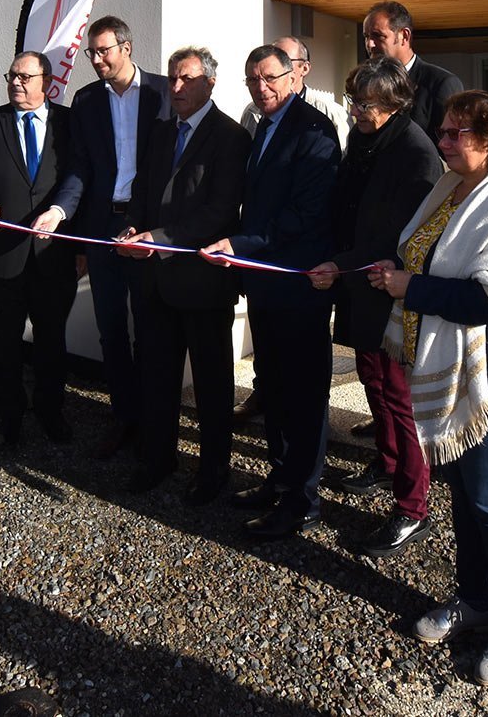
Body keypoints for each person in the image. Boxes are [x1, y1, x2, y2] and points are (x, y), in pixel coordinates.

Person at [368, 90, 488, 689]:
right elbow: (418, 253)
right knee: (465, 500)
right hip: (448, 366)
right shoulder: (450, 188)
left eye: (457, 133)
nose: (444, 142)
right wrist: (396, 277)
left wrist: (408, 289)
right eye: (442, 131)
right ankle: (473, 600)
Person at [201, 44, 340, 539]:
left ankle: (303, 499)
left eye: (270, 78)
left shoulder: (314, 131)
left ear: (294, 75)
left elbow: (304, 215)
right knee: (275, 389)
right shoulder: (263, 126)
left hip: (299, 284)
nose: (262, 88)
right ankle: (280, 480)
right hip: (265, 283)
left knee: (304, 395)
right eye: (253, 80)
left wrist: (239, 244)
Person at [306, 57, 443, 558]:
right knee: (374, 380)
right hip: (358, 280)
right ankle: (386, 465)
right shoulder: (367, 140)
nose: (357, 112)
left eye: (366, 104)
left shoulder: (414, 152)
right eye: (353, 101)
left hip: (389, 286)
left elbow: (397, 234)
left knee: (400, 396)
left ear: (395, 103)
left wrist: (337, 262)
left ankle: (412, 506)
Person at [116, 47, 249, 503]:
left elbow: (219, 211)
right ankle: (158, 458)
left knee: (212, 384)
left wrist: (160, 237)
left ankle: (213, 470)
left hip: (203, 281)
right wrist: (134, 226)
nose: (175, 88)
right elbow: (142, 189)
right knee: (156, 373)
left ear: (210, 83)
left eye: (186, 79)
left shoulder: (230, 137)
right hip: (155, 279)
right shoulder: (160, 132)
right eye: (172, 79)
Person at [46, 16, 170, 458]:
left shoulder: (163, 92)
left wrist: (158, 228)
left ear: (127, 47)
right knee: (111, 329)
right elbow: (80, 167)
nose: (96, 60)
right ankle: (125, 416)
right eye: (91, 53)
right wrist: (62, 214)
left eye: (104, 51)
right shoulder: (85, 100)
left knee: (151, 329)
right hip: (101, 230)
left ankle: (155, 419)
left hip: (146, 230)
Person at [0, 52, 79, 449]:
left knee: (51, 341)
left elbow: (80, 178)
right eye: (11, 76)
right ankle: (8, 416)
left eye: (25, 76)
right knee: (3, 343)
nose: (16, 83)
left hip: (51, 258)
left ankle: (49, 410)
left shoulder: (70, 124)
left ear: (47, 81)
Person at [362, 1, 461, 141]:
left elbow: (450, 143)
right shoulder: (368, 83)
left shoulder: (440, 83)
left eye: (378, 36)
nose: (370, 44)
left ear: (404, 36)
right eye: (366, 36)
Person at [239, 36, 350, 149]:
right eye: (253, 80)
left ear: (305, 68)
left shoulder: (330, 113)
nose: (262, 87)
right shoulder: (251, 112)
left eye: (285, 59)